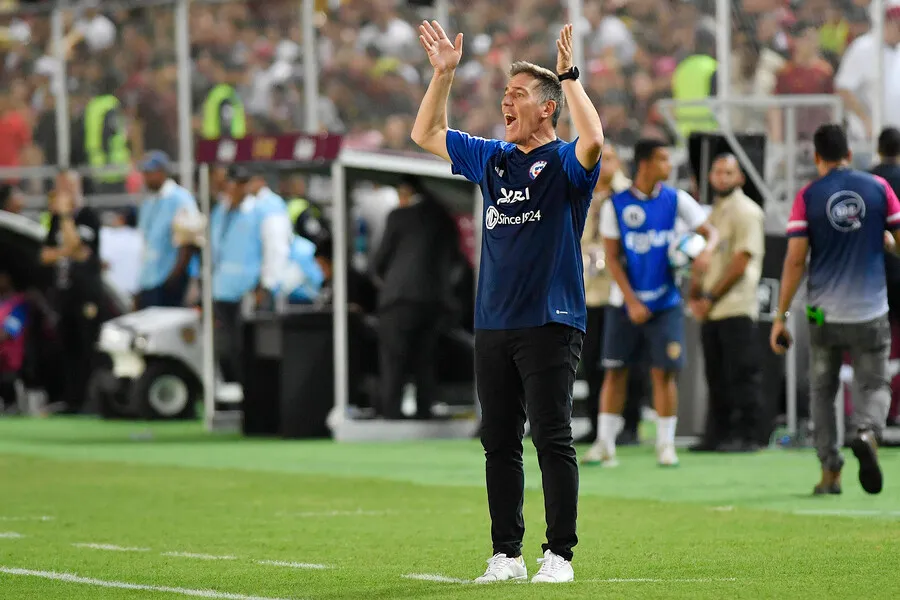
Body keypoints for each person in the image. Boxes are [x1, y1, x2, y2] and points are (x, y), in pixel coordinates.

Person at [411, 21, 604, 583]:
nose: (506, 101)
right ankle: (506, 555)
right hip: (493, 323)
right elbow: (426, 133)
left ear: (547, 108)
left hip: (551, 319)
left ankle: (560, 556)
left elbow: (593, 141)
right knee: (499, 440)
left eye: (517, 94)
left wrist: (569, 78)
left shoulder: (566, 164)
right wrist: (443, 74)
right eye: (505, 93)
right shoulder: (492, 159)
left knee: (552, 436)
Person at [771, 123, 899, 496]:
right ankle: (866, 431)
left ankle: (830, 473)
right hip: (870, 310)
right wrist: (888, 244)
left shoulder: (808, 196)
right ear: (850, 153)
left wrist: (779, 318)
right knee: (874, 382)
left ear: (816, 156)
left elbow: (795, 261)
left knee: (822, 392)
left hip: (821, 314)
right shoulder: (879, 189)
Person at [583, 138, 718, 468]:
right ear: (644, 163)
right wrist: (631, 301)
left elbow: (709, 231)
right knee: (615, 372)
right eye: (662, 159)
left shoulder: (677, 199)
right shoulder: (616, 206)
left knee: (664, 372)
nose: (668, 166)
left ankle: (665, 445)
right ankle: (604, 443)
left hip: (665, 301)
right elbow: (613, 258)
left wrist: (705, 250)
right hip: (624, 302)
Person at [688, 154, 765, 452]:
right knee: (716, 375)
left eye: (728, 172)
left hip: (735, 305)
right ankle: (717, 435)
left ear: (740, 178)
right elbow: (702, 258)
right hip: (712, 309)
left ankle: (748, 435)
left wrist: (709, 296)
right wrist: (696, 293)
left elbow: (741, 260)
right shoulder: (713, 214)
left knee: (741, 373)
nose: (722, 177)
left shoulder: (746, 211)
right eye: (717, 172)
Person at [370, 176, 463, 420]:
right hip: (435, 300)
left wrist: (383, 278)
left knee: (394, 358)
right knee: (424, 359)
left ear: (407, 191)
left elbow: (379, 261)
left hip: (399, 298)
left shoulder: (399, 216)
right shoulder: (445, 218)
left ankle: (392, 414)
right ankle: (424, 411)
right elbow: (457, 260)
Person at [577, 144, 645, 445]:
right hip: (589, 292)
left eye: (611, 158)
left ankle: (630, 425)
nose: (604, 163)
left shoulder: (629, 196)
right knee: (591, 362)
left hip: (621, 292)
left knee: (626, 361)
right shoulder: (581, 191)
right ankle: (595, 424)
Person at [39, 172, 103, 414]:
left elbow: (80, 250)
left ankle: (91, 400)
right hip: (64, 292)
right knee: (67, 346)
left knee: (88, 346)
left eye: (67, 186)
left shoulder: (88, 216)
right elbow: (45, 255)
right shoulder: (55, 220)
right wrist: (67, 249)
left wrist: (66, 216)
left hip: (86, 294)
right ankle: (72, 400)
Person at [136, 151, 199, 309]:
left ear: (162, 172)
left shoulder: (180, 198)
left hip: (169, 279)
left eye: (150, 173)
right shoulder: (148, 201)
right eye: (144, 173)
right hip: (149, 278)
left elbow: (188, 242)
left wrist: (174, 277)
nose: (146, 177)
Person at [870, 126, 900, 427]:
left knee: (873, 349)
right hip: (898, 275)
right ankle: (894, 411)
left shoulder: (867, 183)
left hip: (871, 279)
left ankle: (871, 414)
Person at [247, 172, 292, 311]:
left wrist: (267, 284)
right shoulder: (252, 203)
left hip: (269, 284)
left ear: (261, 181)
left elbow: (277, 248)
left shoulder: (272, 205)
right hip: (256, 282)